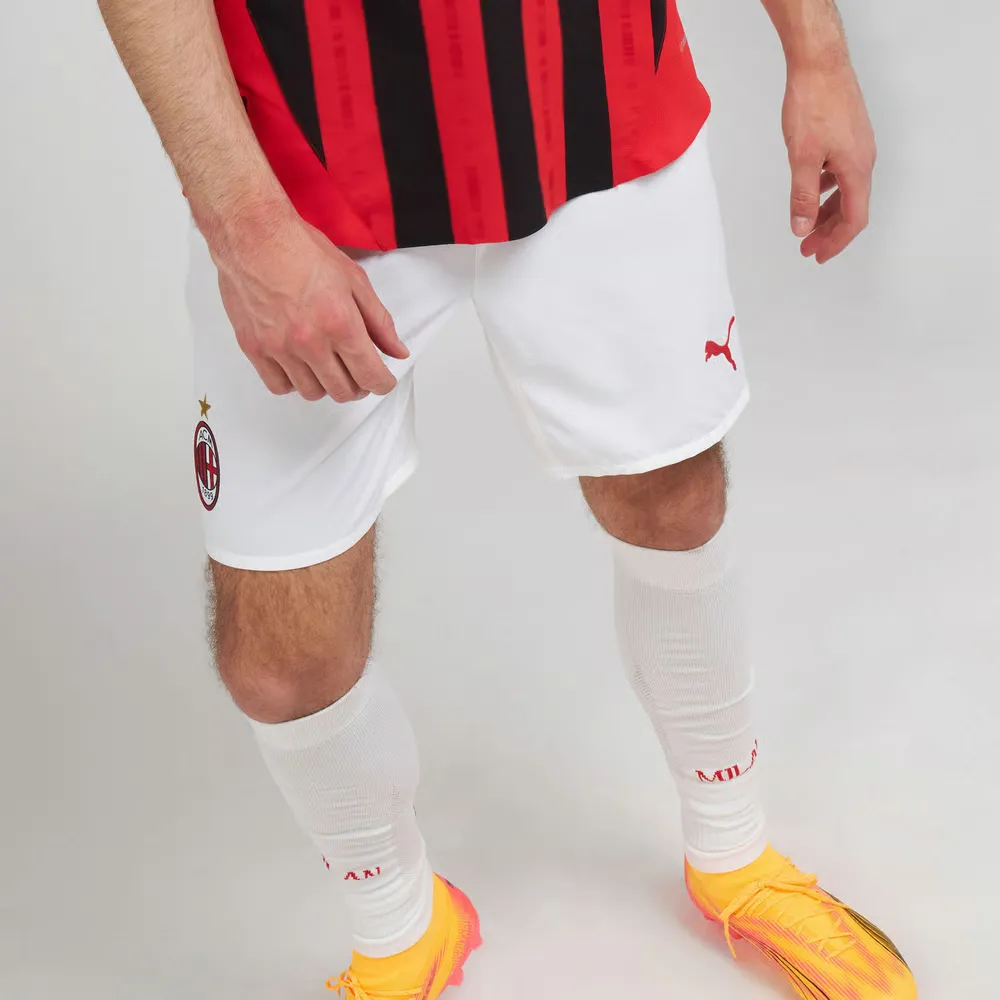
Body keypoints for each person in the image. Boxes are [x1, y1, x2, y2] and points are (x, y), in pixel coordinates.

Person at [97, 1, 914, 998]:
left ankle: (734, 854)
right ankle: (403, 931)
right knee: (281, 657)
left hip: (593, 86)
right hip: (302, 157)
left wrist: (817, 52)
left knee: (671, 499)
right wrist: (245, 227)